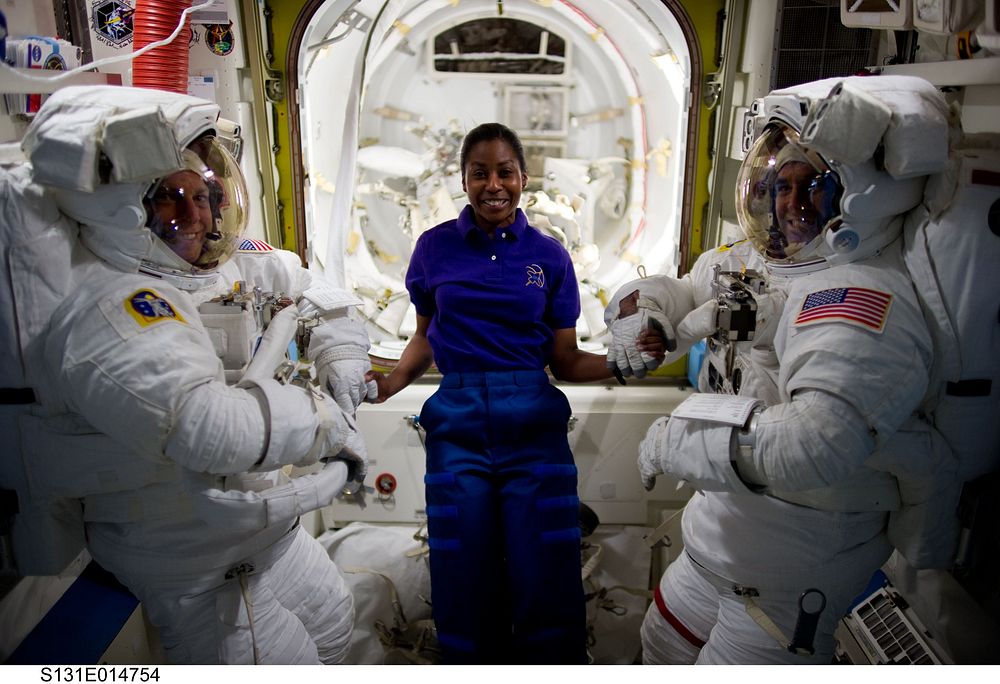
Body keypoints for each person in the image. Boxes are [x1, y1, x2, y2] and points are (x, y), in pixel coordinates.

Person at [15, 85, 375, 664]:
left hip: (271, 535)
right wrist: (323, 422)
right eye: (172, 200)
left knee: (336, 631)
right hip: (199, 567)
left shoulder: (229, 261)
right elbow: (212, 429)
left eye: (205, 194)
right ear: (127, 213)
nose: (198, 215)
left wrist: (341, 358)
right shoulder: (116, 307)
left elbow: (317, 295)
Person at [605, 75, 956, 664]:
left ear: (856, 199)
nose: (790, 205)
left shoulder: (857, 296)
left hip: (790, 575)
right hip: (713, 539)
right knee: (658, 647)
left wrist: (677, 442)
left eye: (813, 188)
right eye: (780, 186)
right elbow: (679, 291)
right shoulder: (749, 261)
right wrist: (638, 313)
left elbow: (817, 445)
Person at [365, 122, 664, 664]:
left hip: (533, 428)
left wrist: (625, 363)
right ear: (464, 179)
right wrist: (388, 383)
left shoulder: (549, 257)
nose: (493, 184)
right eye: (479, 173)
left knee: (545, 567)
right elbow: (424, 337)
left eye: (505, 171)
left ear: (523, 178)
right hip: (457, 428)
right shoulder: (434, 249)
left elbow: (566, 359)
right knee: (462, 568)